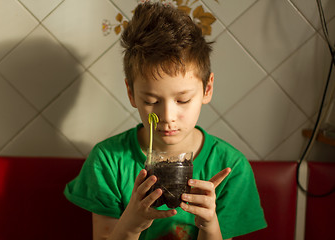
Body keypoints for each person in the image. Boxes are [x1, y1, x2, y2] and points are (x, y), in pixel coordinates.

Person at [64, 2, 267, 240]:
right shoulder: (108, 162)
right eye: (151, 100)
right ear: (131, 93)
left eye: (182, 100)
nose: (167, 117)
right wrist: (131, 224)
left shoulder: (229, 167)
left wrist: (209, 224)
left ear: (207, 89)